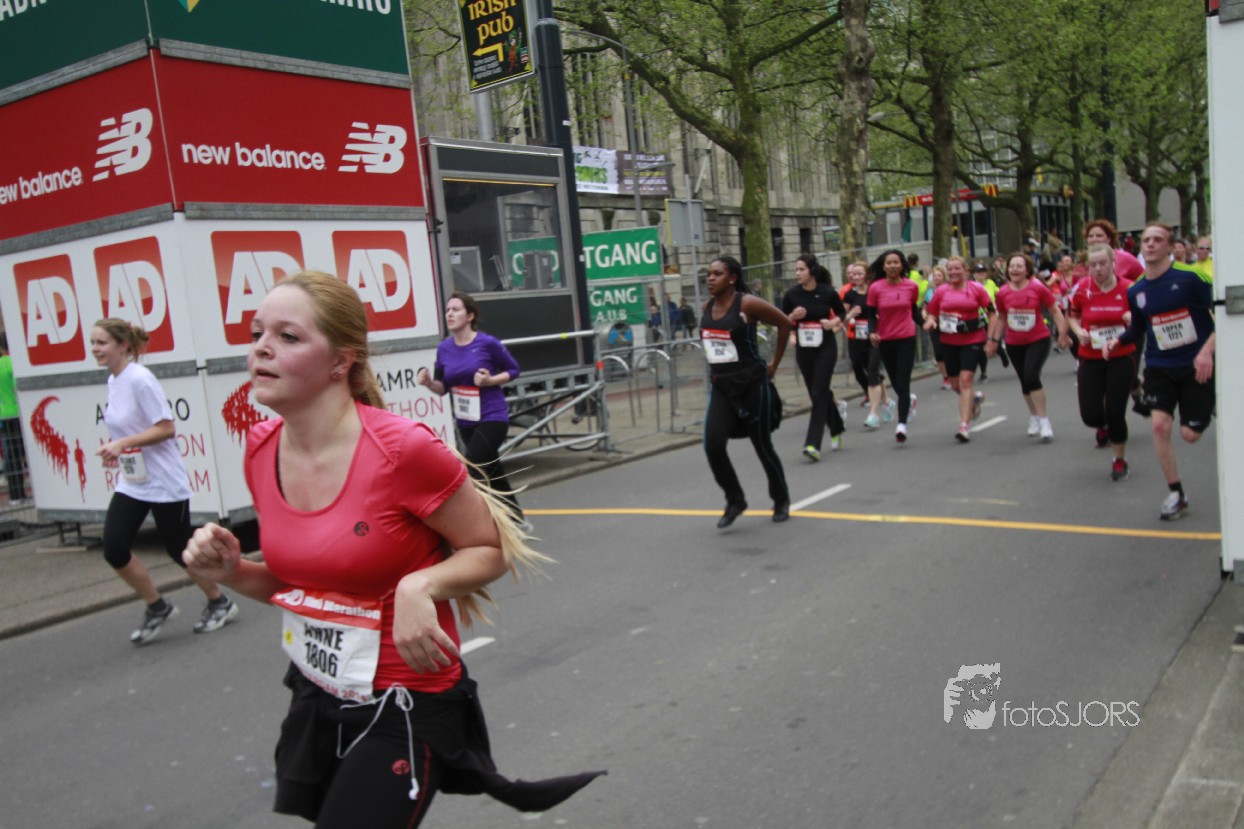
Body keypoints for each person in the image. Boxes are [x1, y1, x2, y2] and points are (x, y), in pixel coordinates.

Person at [183, 272, 602, 826]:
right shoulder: (261, 450)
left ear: (341, 361)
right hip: (319, 693)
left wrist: (421, 584)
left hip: (404, 703)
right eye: (257, 332)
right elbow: (302, 586)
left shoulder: (402, 449)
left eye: (287, 336)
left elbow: (490, 548)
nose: (260, 347)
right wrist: (232, 571)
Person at [90, 318, 238, 644]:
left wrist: (123, 443)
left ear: (123, 345)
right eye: (93, 343)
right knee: (114, 548)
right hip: (134, 481)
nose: (95, 349)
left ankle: (219, 601)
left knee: (178, 548)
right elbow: (131, 428)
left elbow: (166, 428)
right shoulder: (114, 380)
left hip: (164, 480)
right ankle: (157, 606)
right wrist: (118, 450)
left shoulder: (140, 379)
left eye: (101, 343)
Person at [1104, 223, 1215, 521]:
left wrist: (1207, 351)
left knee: (1189, 434)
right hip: (1159, 367)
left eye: (1158, 240)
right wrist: (1119, 340)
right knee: (1160, 427)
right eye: (1146, 240)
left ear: (1169, 246)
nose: (1151, 244)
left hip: (1195, 365)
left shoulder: (1192, 278)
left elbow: (1222, 314)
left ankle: (1212, 402)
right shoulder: (1137, 290)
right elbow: (1139, 327)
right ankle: (1176, 493)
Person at [417, 292, 525, 527]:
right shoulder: (444, 349)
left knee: (474, 467)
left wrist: (490, 381)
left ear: (470, 316)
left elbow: (514, 370)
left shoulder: (487, 343)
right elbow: (442, 387)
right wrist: (428, 383)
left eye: (455, 310)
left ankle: (481, 524)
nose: (450, 314)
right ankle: (517, 519)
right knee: (492, 469)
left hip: (492, 416)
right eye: (448, 310)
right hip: (466, 420)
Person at [700, 255, 792, 526]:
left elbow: (784, 323)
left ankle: (781, 498)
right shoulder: (706, 307)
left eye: (717, 274)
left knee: (762, 445)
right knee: (713, 444)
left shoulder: (747, 303)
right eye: (708, 274)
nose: (710, 278)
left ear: (732, 278)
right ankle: (735, 499)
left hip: (753, 385)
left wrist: (774, 363)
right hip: (722, 386)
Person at [1068, 244, 1136, 480]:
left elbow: (1144, 317)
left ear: (1113, 264)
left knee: (1115, 412)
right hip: (1090, 357)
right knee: (1091, 416)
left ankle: (1119, 459)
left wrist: (1132, 317)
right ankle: (1103, 427)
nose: (1097, 269)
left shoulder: (1129, 288)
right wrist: (1079, 331)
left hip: (1121, 356)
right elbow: (1073, 315)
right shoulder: (1082, 288)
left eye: (1103, 263)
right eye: (1093, 265)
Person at [987, 253, 1070, 441]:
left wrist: (1063, 334)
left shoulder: (1037, 287)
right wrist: (993, 341)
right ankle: (1034, 416)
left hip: (1038, 338)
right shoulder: (1002, 293)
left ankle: (1044, 420)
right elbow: (1001, 318)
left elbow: (1054, 310)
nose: (1015, 269)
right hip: (1014, 342)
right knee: (1025, 381)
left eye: (1019, 266)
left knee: (1032, 375)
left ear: (1027, 270)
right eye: (1012, 266)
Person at [782, 253, 847, 460]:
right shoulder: (791, 295)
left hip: (825, 346)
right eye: (796, 269)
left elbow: (841, 313)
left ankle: (812, 444)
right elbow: (782, 320)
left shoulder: (827, 292)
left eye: (801, 269)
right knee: (817, 393)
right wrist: (792, 319)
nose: (797, 273)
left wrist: (833, 322)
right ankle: (837, 427)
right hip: (804, 349)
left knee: (819, 393)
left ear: (812, 271)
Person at [924, 257, 994, 443]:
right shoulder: (941, 291)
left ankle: (964, 426)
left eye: (957, 269)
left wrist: (991, 339)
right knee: (955, 384)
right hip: (948, 340)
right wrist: (930, 321)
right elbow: (932, 312)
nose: (953, 272)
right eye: (950, 269)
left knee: (965, 380)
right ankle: (973, 400)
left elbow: (992, 312)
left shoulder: (976, 289)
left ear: (966, 271)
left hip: (973, 339)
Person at [866, 249, 922, 443]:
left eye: (896, 262)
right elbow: (871, 315)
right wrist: (872, 332)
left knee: (903, 381)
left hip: (906, 337)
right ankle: (909, 401)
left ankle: (902, 425)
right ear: (883, 266)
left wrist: (926, 323)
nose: (892, 266)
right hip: (885, 339)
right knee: (896, 382)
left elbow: (914, 310)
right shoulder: (876, 288)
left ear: (902, 265)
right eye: (888, 263)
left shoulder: (911, 286)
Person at [841, 260, 889, 411]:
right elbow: (841, 317)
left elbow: (883, 311)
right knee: (857, 367)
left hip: (873, 336)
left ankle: (880, 402)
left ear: (866, 275)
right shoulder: (850, 294)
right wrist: (850, 314)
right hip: (855, 337)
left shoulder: (874, 292)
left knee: (872, 368)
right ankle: (873, 391)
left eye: (859, 274)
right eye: (853, 274)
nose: (855, 277)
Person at [0, 333, 29, 505]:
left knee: (10, 454)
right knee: (18, 453)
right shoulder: (9, 362)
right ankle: (19, 494)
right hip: (15, 413)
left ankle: (15, 495)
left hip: (3, 416)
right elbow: (16, 387)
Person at [922, 265, 951, 390]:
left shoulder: (949, 290)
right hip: (934, 324)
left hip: (948, 323)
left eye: (939, 275)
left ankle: (954, 373)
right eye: (934, 275)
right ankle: (946, 377)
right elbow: (924, 308)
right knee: (938, 351)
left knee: (950, 349)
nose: (936, 278)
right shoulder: (929, 293)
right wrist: (925, 316)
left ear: (944, 277)